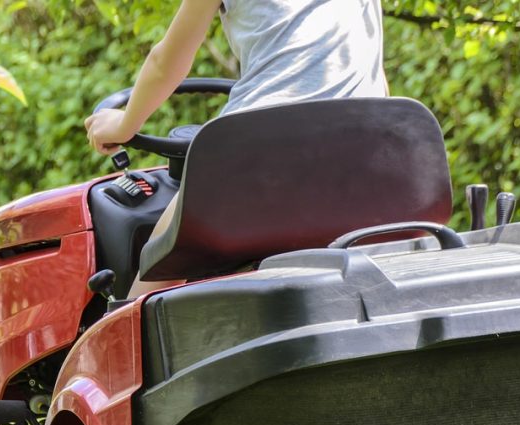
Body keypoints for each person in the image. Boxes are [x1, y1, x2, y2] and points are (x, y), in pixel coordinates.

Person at [85, 0, 388, 297]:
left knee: (157, 266)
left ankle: (126, 334)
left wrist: (124, 125)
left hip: (264, 152)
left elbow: (165, 64)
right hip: (373, 157)